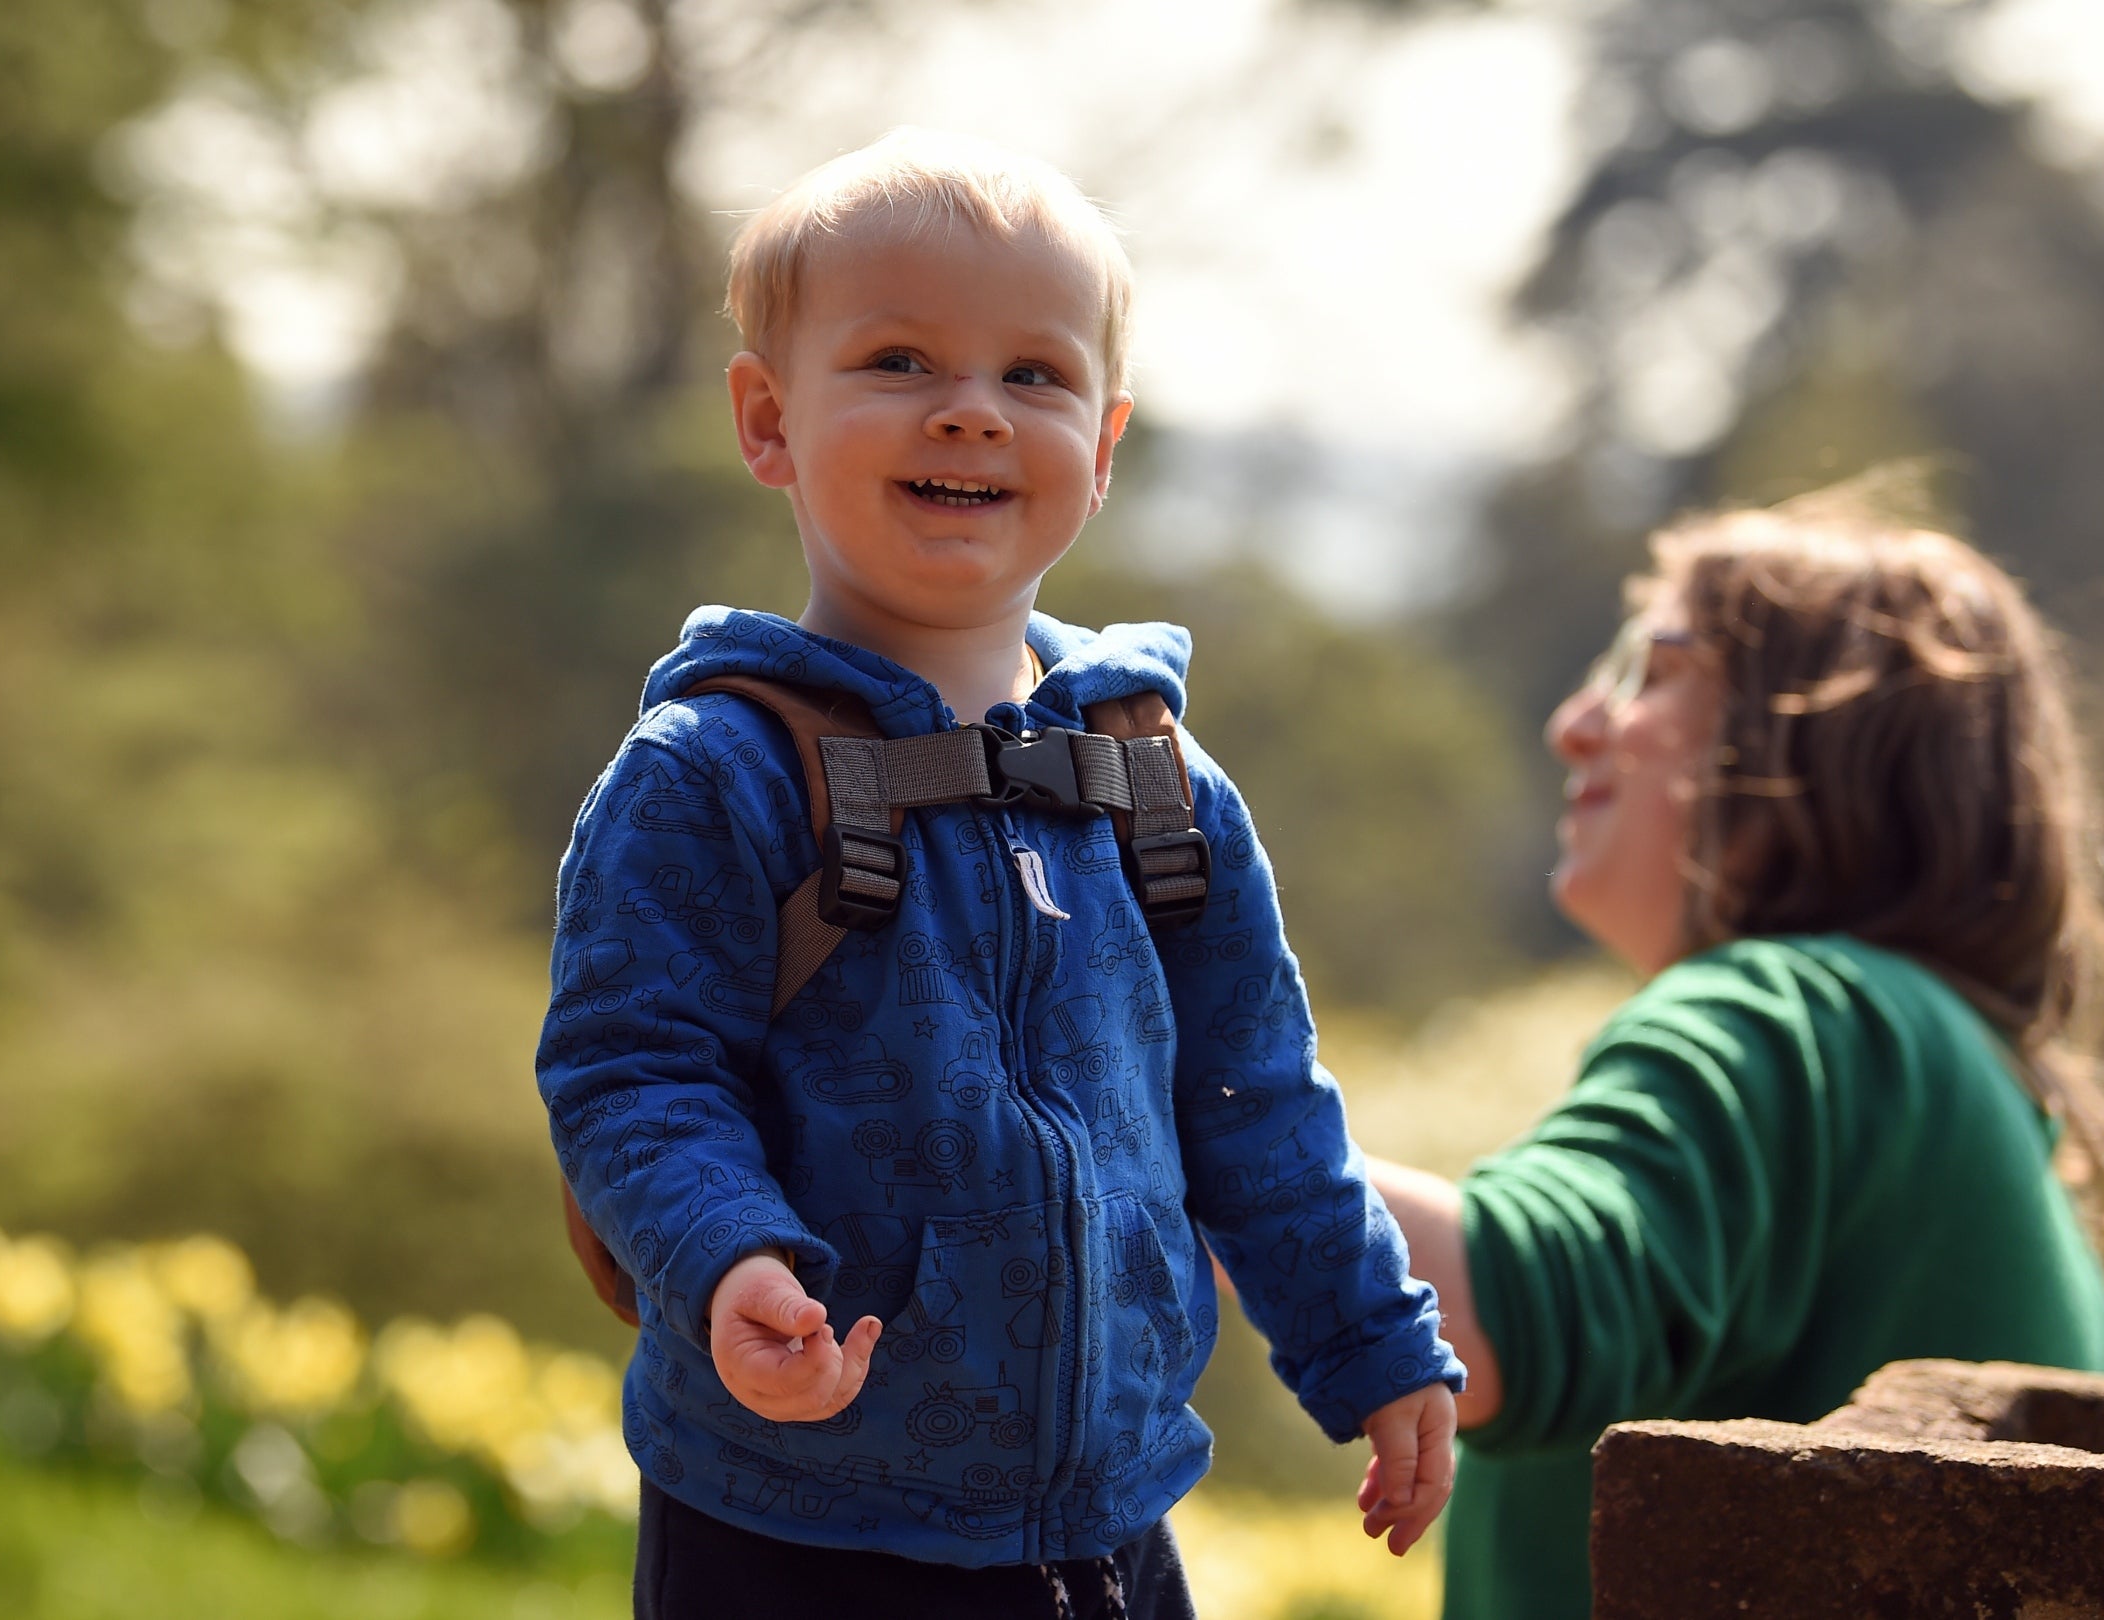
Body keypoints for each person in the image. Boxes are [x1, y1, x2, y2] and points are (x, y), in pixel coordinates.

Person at [535, 129, 1463, 1620]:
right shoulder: (714, 771)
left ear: (1102, 450)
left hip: (1105, 1518)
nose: (971, 414)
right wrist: (724, 1258)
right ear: (768, 421)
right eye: (900, 361)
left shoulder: (1159, 784)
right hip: (793, 1514)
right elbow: (630, 1070)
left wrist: (1371, 1341)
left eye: (1033, 377)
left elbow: (1258, 1100)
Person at [1365, 492, 2104, 1620]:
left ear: (1821, 740)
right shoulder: (1929, 1061)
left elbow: (1479, 1317)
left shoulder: (1802, 1011)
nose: (1577, 721)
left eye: (1654, 671)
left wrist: (1140, 1080)